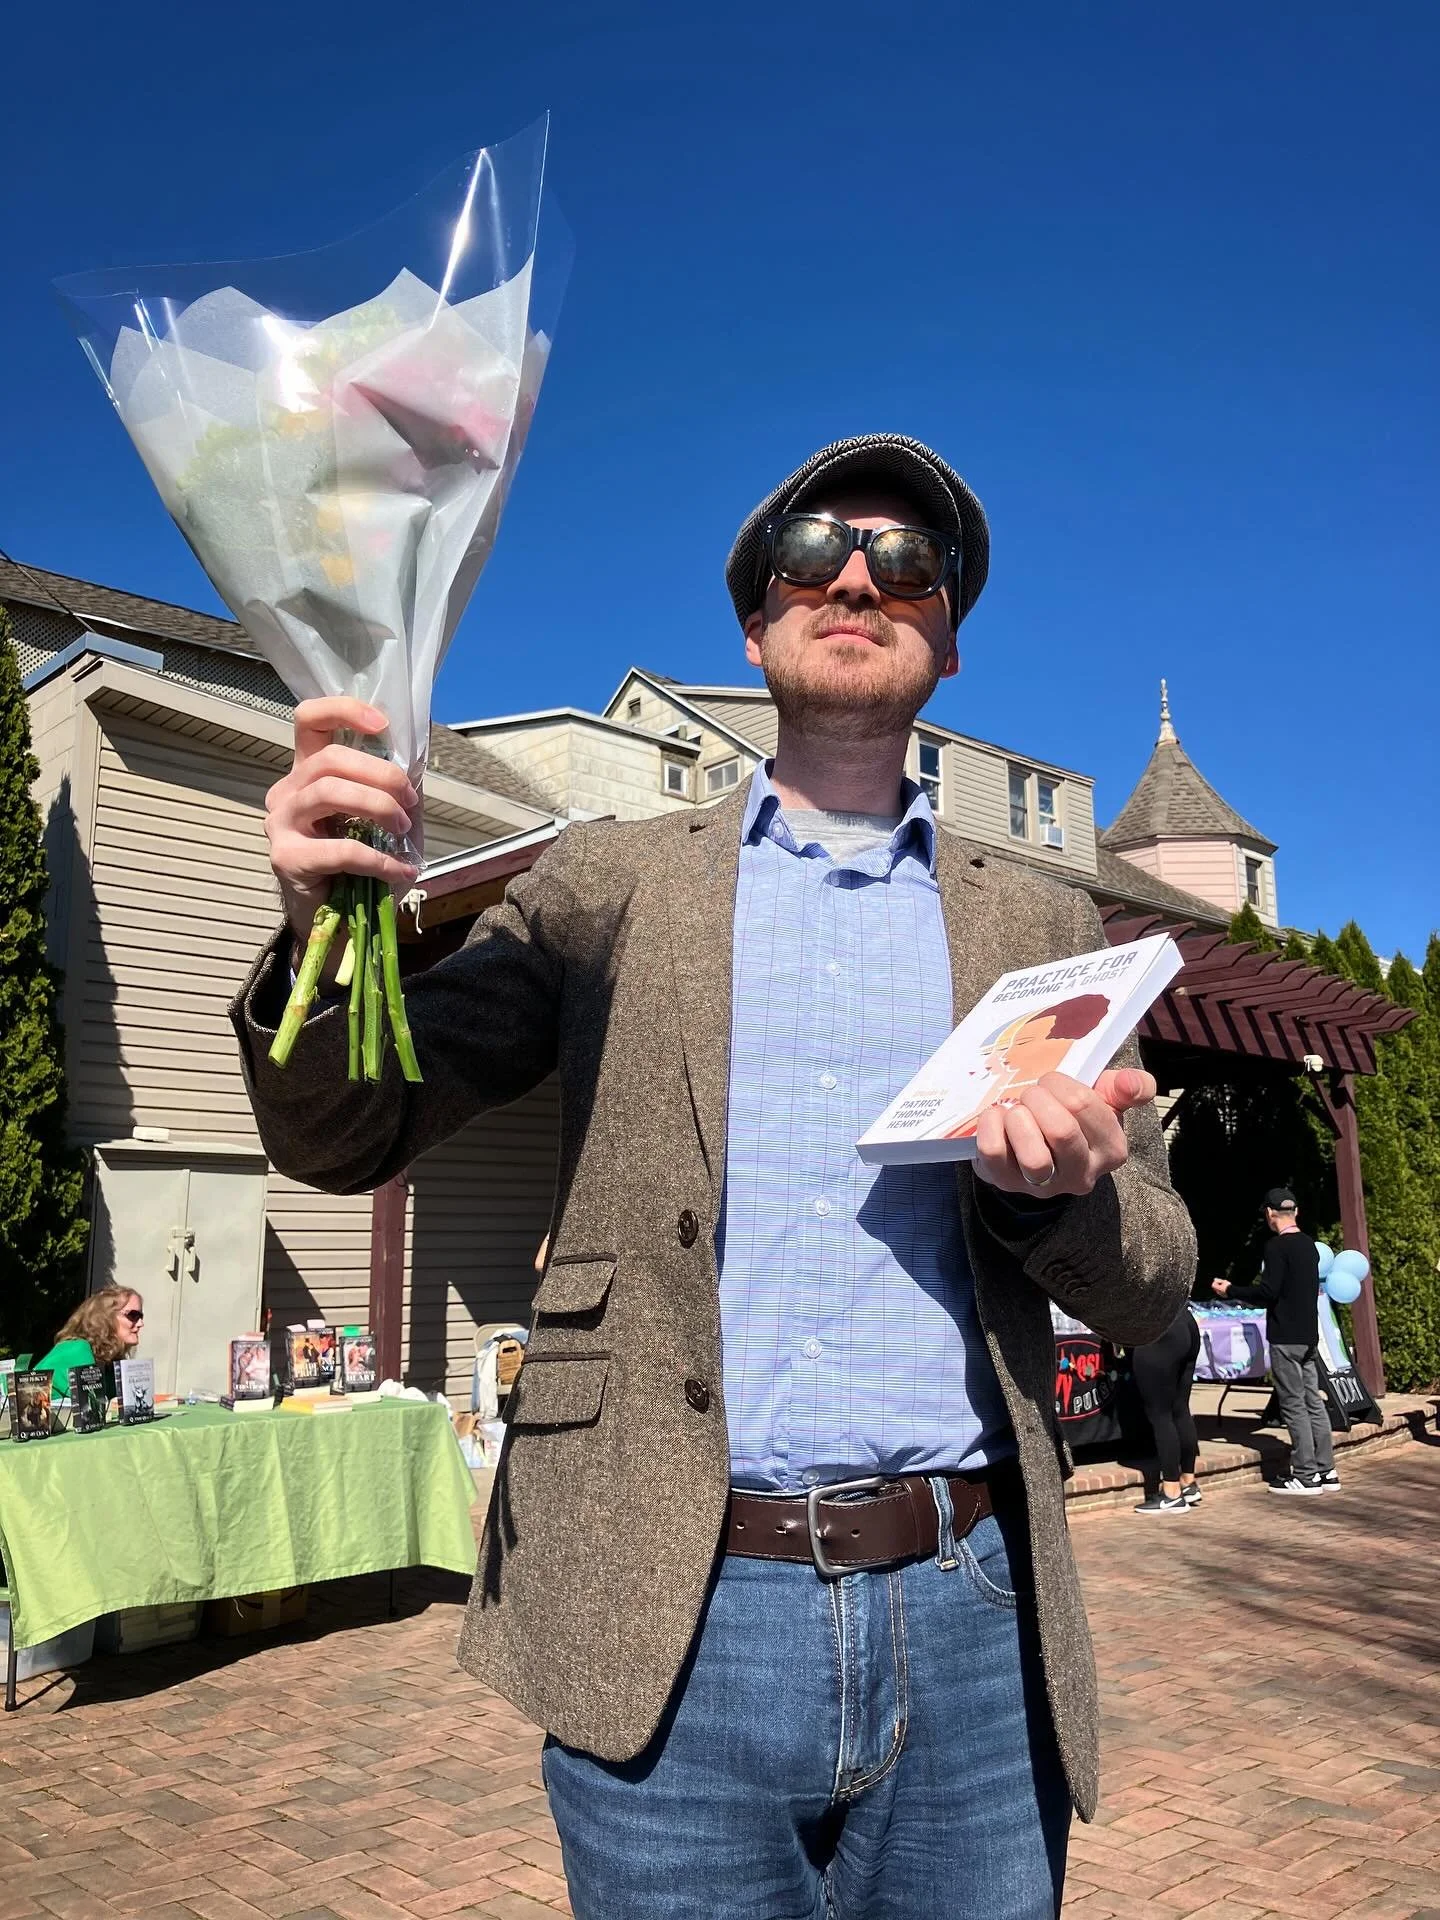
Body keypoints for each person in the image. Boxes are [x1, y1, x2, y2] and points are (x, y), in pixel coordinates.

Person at [235, 433, 1195, 1919]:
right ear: (756, 622)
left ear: (946, 638)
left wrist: (1057, 1198)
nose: (860, 577)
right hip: (669, 1614)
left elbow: (1156, 1276)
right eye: (817, 552)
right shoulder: (607, 882)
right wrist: (319, 934)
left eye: (909, 564)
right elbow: (345, 1131)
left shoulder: (1047, 929)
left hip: (973, 1616)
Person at [1212, 1187, 1338, 1495]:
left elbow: (1268, 1292)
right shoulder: (1309, 1246)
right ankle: (1327, 1470)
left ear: (1270, 1214)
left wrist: (1231, 1290)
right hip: (1309, 1336)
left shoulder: (1276, 1248)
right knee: (1313, 1401)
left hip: (1285, 1337)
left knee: (1294, 1404)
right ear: (1296, 1212)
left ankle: (1306, 1475)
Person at [1129, 1304, 1202, 1515]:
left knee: (1160, 1414)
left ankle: (1171, 1492)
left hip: (1156, 1325)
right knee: (1180, 1408)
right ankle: (1187, 1481)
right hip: (1185, 1320)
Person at [34, 1287, 144, 1393]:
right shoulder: (78, 1349)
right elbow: (93, 1406)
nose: (140, 1324)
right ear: (106, 1317)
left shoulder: (110, 1360)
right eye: (133, 1315)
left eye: (141, 1317)